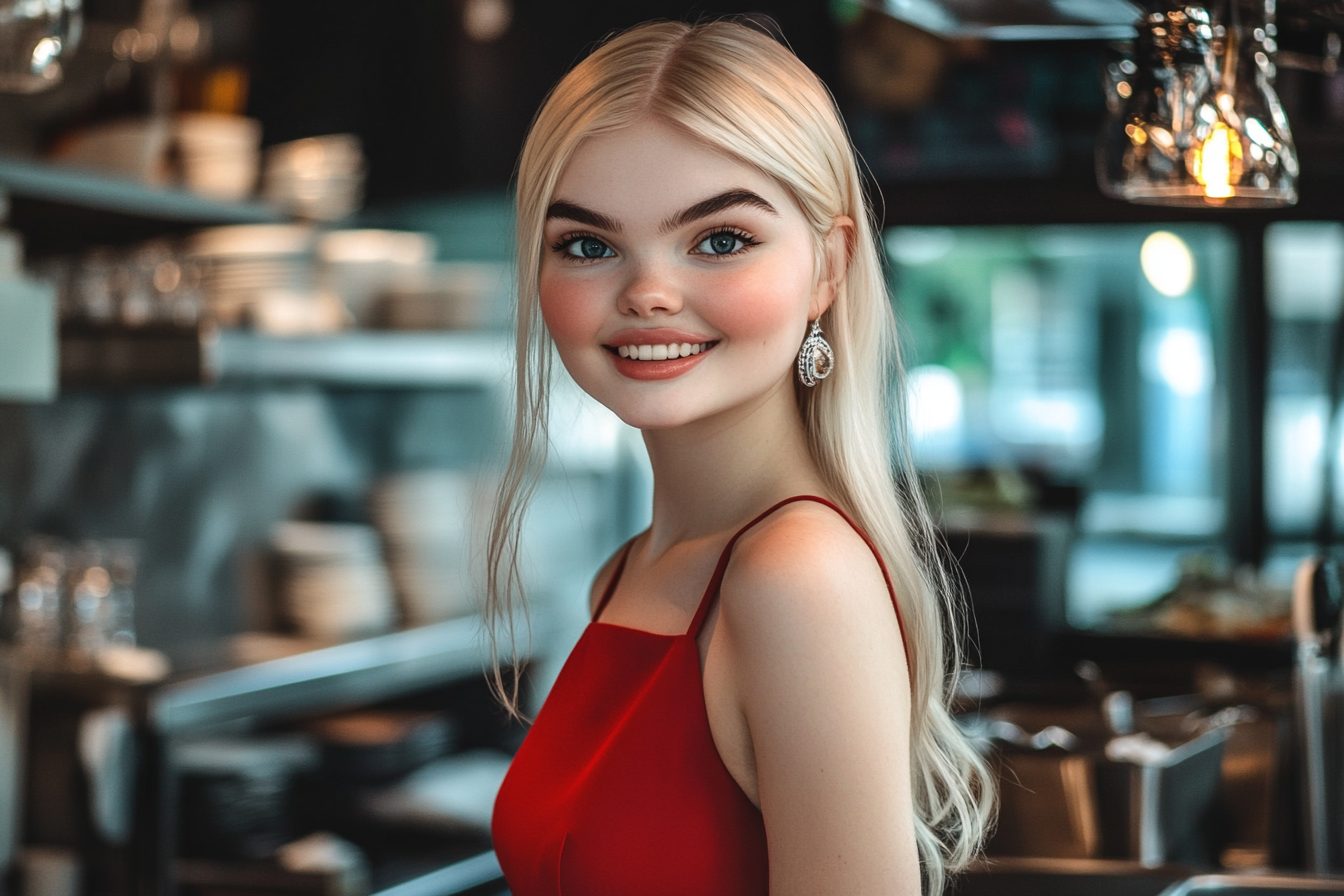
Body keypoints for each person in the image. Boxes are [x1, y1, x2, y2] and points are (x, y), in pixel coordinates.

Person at [488, 18, 991, 895]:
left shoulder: (797, 578)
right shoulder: (632, 571)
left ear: (828, 269)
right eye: (588, 244)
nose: (648, 292)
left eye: (720, 239)